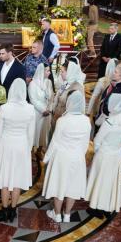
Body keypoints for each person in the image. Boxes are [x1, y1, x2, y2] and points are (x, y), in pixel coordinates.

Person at [0, 80, 36, 222]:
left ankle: (4, 210)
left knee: (4, 179)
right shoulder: (30, 109)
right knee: (17, 180)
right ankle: (13, 210)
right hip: (22, 145)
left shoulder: (4, 108)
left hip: (5, 145)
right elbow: (31, 134)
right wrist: (27, 150)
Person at [42, 90, 91, 222]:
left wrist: (46, 158)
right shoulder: (86, 121)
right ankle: (67, 215)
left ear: (69, 103)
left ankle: (57, 215)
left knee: (59, 185)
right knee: (72, 187)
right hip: (77, 157)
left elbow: (55, 142)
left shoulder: (62, 121)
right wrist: (79, 155)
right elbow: (85, 143)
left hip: (61, 157)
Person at [84, 92, 121, 216]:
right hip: (116, 155)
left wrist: (98, 150)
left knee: (99, 180)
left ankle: (96, 207)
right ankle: (107, 206)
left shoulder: (109, 122)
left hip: (104, 154)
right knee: (109, 182)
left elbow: (98, 140)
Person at [28, 64, 53, 151]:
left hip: (47, 112)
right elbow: (33, 100)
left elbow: (51, 97)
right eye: (47, 70)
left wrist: (49, 109)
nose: (49, 73)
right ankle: (30, 151)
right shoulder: (33, 84)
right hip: (37, 113)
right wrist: (43, 110)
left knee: (43, 134)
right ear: (41, 71)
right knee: (34, 133)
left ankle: (39, 151)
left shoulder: (48, 82)